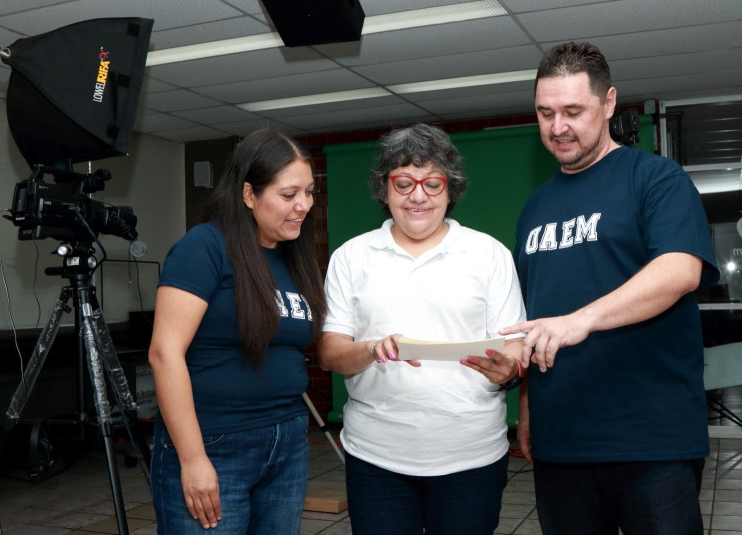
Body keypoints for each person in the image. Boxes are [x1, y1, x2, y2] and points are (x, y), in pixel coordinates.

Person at [501, 42, 719, 534]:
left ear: (609, 102)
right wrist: (528, 405)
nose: (558, 127)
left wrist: (581, 321)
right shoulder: (534, 209)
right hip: (563, 438)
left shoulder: (656, 179)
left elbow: (680, 269)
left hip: (651, 439)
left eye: (573, 111)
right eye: (545, 112)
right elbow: (538, 313)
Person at [319, 123, 526, 535]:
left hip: (472, 456)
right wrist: (373, 349)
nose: (418, 196)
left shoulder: (489, 255)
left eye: (432, 183)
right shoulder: (350, 257)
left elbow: (516, 348)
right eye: (404, 182)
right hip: (376, 458)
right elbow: (330, 353)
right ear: (385, 188)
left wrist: (510, 371)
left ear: (450, 189)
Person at [148, 130, 326, 534]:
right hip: (214, 443)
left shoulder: (293, 258)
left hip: (287, 441)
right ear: (249, 194)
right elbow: (164, 353)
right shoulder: (204, 246)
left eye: (309, 192)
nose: (303, 206)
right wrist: (192, 460)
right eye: (288, 194)